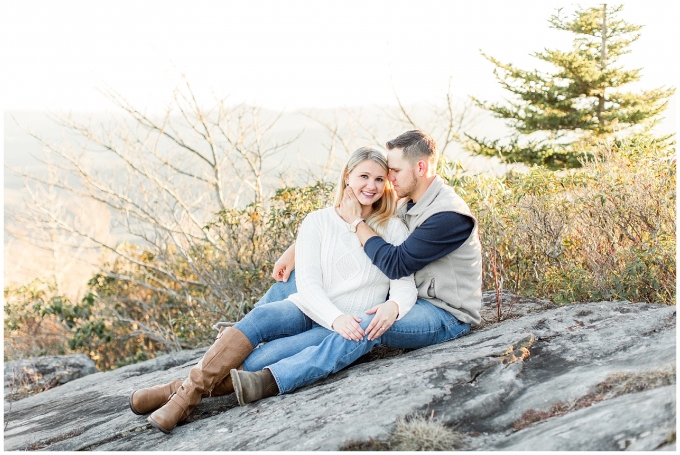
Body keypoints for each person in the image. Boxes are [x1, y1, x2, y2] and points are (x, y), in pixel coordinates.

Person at [129, 147, 417, 434]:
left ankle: (173, 391)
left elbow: (404, 285)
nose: (371, 186)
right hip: (312, 310)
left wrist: (393, 307)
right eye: (364, 176)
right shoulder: (317, 221)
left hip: (345, 327)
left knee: (256, 362)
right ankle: (185, 398)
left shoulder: (391, 228)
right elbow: (308, 285)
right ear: (346, 177)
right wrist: (333, 316)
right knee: (261, 316)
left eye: (380, 179)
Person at [230, 129, 482, 403]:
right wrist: (297, 249)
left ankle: (273, 379)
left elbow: (396, 264)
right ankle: (238, 334)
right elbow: (350, 215)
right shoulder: (408, 198)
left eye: (394, 171)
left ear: (420, 167)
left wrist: (358, 227)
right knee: (297, 278)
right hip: (405, 293)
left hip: (443, 313)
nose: (389, 178)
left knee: (366, 325)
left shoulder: (448, 216)